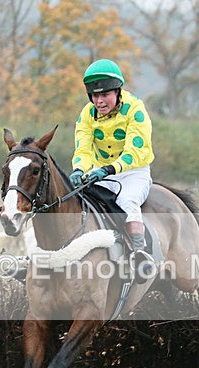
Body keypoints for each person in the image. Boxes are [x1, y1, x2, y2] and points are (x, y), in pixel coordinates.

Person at [68, 58, 154, 283]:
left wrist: (108, 169)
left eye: (104, 95)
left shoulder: (135, 108)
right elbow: (83, 149)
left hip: (133, 172)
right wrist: (78, 170)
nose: (99, 101)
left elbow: (134, 151)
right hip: (100, 171)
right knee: (78, 202)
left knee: (126, 201)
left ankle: (139, 254)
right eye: (95, 96)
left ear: (117, 91)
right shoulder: (87, 114)